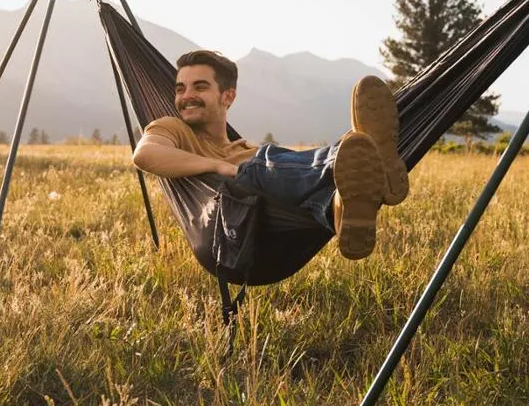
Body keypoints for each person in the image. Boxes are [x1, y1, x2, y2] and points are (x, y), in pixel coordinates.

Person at [131, 49, 408, 259]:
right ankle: (353, 156)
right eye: (180, 88)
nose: (186, 96)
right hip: (227, 233)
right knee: (257, 166)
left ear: (228, 96)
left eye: (199, 87)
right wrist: (218, 166)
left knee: (278, 169)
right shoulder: (173, 128)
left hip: (276, 232)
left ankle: (337, 206)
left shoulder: (249, 151)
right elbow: (144, 155)